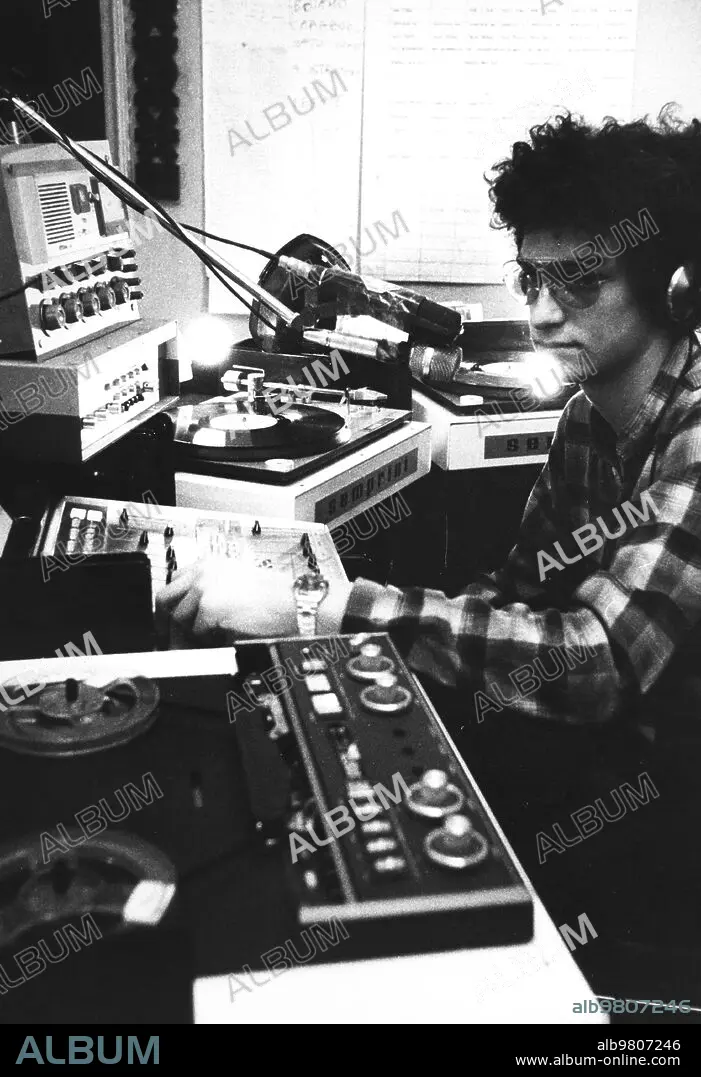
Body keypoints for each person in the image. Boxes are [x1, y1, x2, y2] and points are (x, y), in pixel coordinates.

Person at [158, 111, 701, 1003]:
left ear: (672, 287)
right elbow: (517, 593)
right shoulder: (586, 417)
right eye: (532, 277)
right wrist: (344, 645)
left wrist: (323, 610)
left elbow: (597, 661)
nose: (539, 313)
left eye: (581, 281)